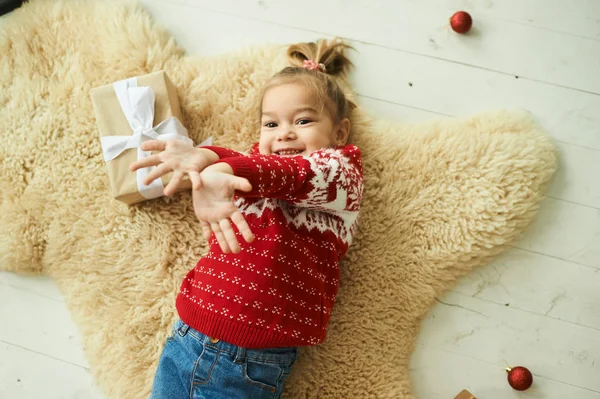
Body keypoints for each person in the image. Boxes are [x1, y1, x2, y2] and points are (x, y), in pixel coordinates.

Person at [130, 39, 364, 399]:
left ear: (339, 133)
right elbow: (242, 161)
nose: (284, 133)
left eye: (303, 121)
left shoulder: (339, 175)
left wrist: (222, 167)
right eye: (271, 124)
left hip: (250, 362)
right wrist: (202, 156)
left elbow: (291, 174)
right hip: (186, 335)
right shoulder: (248, 171)